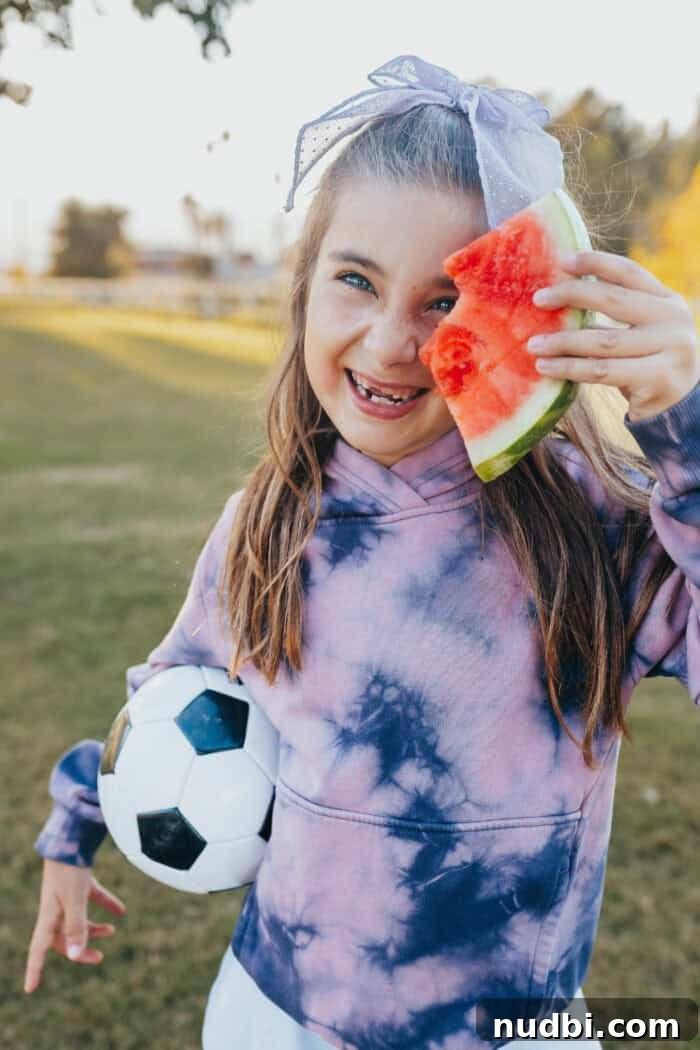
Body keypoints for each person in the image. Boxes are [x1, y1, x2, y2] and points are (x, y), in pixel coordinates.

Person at [24, 54, 700, 1050]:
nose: (391, 341)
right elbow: (176, 695)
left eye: (445, 303)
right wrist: (75, 821)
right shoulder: (271, 513)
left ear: (528, 319)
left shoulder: (594, 525)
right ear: (302, 290)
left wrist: (685, 434)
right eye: (355, 281)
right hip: (274, 1010)